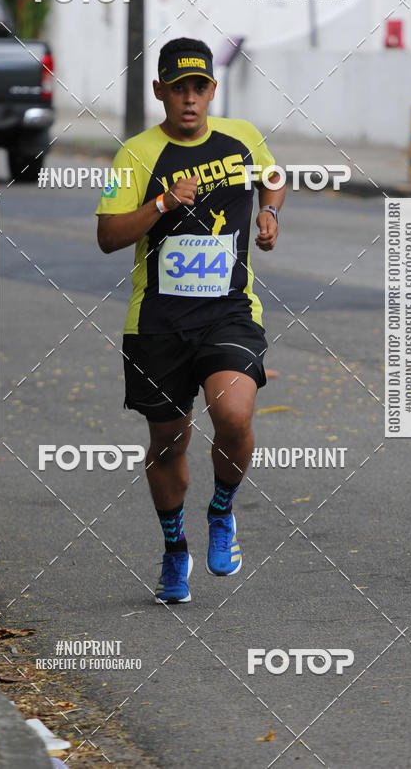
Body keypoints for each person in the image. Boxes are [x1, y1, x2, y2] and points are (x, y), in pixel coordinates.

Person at [96, 37, 284, 604]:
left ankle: (222, 510)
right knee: (168, 443)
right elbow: (107, 236)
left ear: (211, 91)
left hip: (228, 312)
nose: (189, 99)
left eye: (199, 87)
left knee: (233, 413)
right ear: (160, 92)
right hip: (157, 322)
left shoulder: (242, 139)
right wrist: (163, 205)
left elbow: (273, 177)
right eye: (178, 88)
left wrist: (270, 213)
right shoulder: (135, 154)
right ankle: (176, 549)